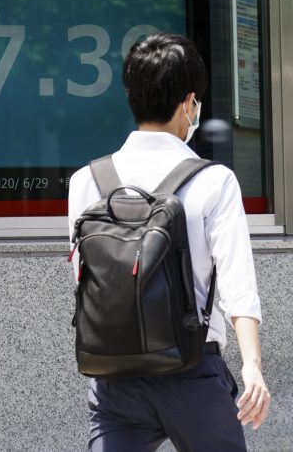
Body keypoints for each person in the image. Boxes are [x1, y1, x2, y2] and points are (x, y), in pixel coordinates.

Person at [68, 33, 271, 451]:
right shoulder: (214, 180)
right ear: (188, 103)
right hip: (193, 370)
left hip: (114, 376)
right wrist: (252, 365)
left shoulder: (86, 181)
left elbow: (84, 276)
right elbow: (237, 284)